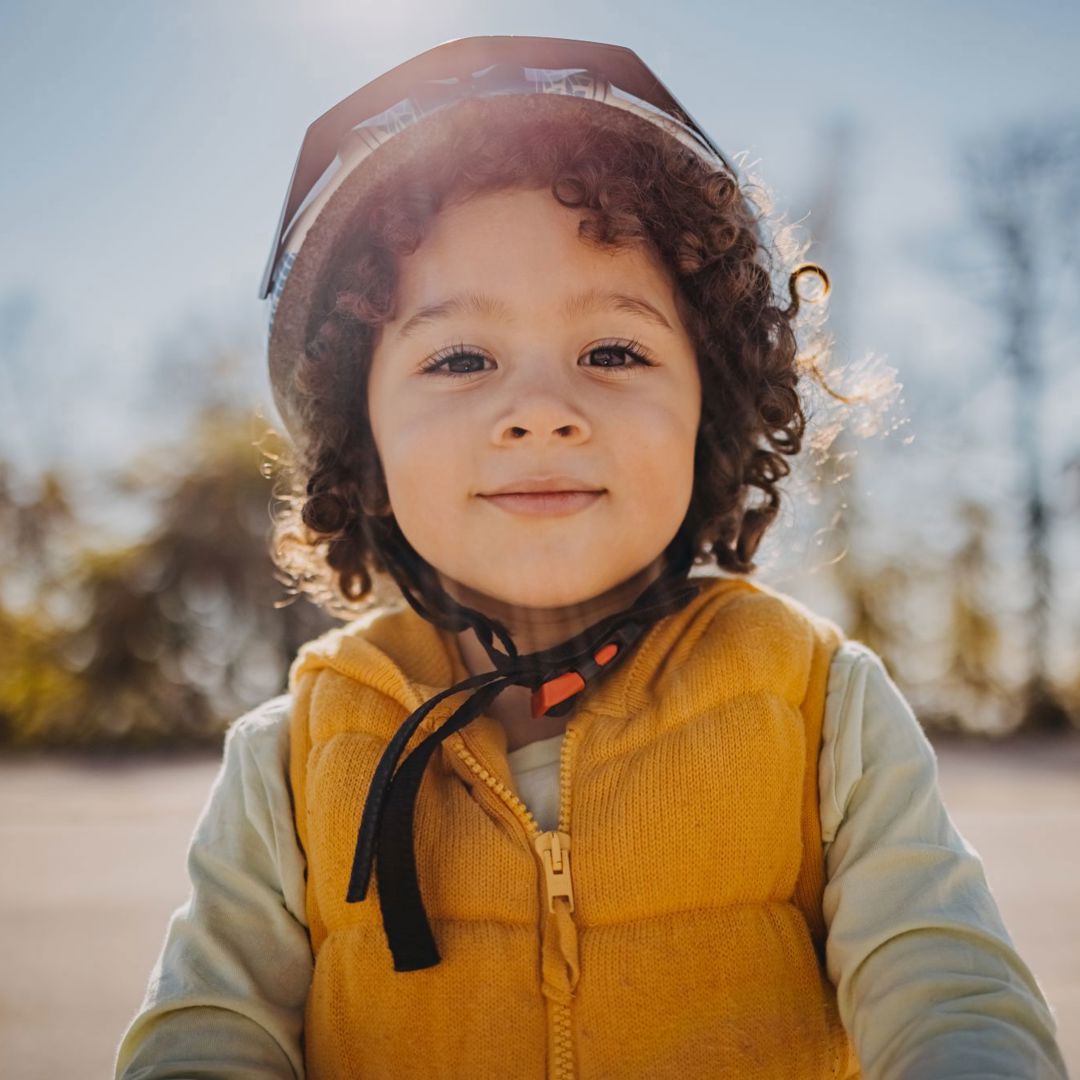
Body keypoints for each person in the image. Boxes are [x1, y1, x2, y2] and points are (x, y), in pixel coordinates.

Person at [113, 36, 1068, 1079]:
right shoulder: (294, 752)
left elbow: (950, 997)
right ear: (363, 439)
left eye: (613, 351)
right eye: (459, 358)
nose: (539, 413)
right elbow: (210, 1032)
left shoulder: (817, 701)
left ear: (714, 411)